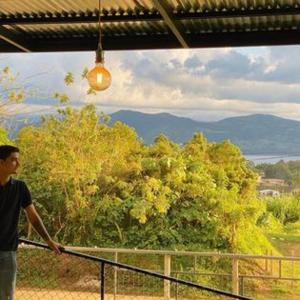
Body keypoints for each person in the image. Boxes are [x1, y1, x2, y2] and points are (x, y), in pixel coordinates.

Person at [0, 145, 63, 300]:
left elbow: (33, 217)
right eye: (13, 160)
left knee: (7, 296)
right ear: (1, 163)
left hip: (7, 252)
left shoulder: (20, 188)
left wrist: (49, 241)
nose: (18, 164)